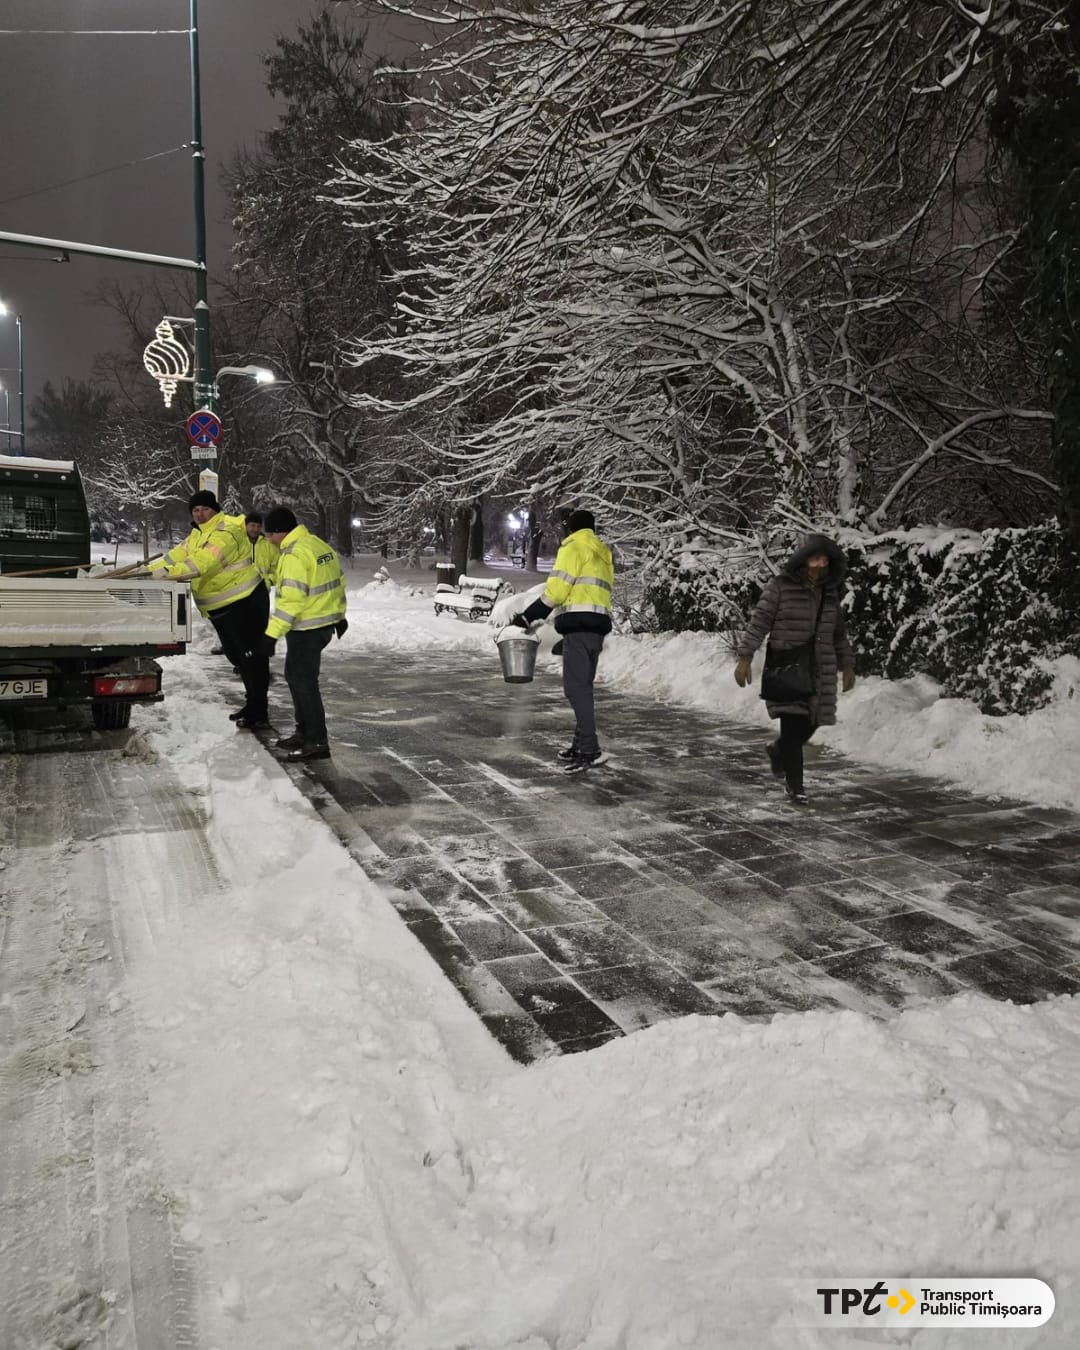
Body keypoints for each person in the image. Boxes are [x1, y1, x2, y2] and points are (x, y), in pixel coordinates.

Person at [733, 533, 856, 805]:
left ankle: (779, 751)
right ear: (802, 560)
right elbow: (760, 621)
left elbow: (838, 633)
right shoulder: (780, 587)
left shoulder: (829, 592)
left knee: (812, 723)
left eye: (824, 559)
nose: (820, 564)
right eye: (814, 558)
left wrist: (847, 664)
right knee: (792, 727)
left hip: (820, 670)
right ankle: (796, 785)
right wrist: (745, 657)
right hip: (788, 667)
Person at [150, 490, 271, 729]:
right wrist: (146, 571)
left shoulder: (227, 531)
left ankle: (259, 712)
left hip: (245, 602)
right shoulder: (197, 534)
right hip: (223, 607)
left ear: (215, 510)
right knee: (237, 658)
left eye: (205, 509)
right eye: (195, 510)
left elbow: (202, 563)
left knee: (251, 659)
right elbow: (174, 558)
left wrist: (166, 574)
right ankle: (252, 705)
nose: (200, 514)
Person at [512, 508, 614, 774]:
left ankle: (590, 749)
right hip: (597, 627)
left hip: (578, 627)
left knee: (575, 689)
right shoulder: (602, 552)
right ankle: (580, 745)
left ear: (572, 528)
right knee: (583, 688)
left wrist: (528, 616)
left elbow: (556, 591)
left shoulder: (573, 548)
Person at [260, 506, 348, 762]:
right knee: (296, 677)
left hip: (307, 627)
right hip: (323, 623)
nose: (269, 539)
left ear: (281, 532)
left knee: (304, 683)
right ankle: (304, 732)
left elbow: (291, 602)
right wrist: (339, 615)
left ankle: (317, 741)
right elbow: (337, 581)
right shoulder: (316, 544)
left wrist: (270, 636)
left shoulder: (294, 555)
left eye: (270, 534)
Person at [244, 511, 280, 590]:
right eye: (252, 525)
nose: (256, 529)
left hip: (263, 590)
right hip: (240, 591)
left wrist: (269, 581)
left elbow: (277, 569)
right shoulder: (238, 543)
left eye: (258, 526)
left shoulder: (270, 545)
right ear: (246, 526)